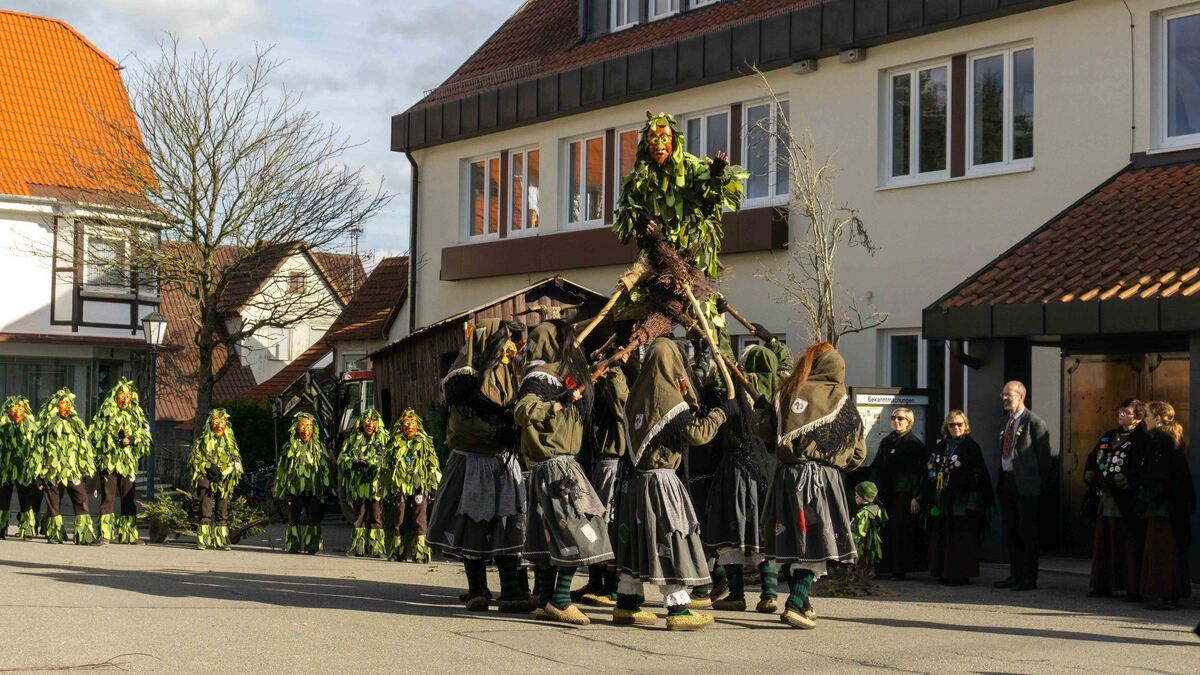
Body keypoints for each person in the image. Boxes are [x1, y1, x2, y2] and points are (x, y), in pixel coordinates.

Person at [614, 338, 731, 630]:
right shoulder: (667, 398)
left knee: (639, 540)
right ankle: (678, 609)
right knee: (670, 538)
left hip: (636, 482)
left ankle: (627, 604)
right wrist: (722, 413)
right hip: (661, 482)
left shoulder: (635, 397)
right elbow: (697, 434)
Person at [754, 342, 866, 629]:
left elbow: (765, 431)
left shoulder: (786, 391)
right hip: (820, 480)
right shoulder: (842, 400)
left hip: (786, 476)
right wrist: (835, 465)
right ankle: (794, 603)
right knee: (814, 541)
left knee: (791, 539)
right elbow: (858, 454)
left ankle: (803, 602)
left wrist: (760, 412)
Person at [426, 319, 535, 613]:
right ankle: (477, 591)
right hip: (473, 462)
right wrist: (497, 432)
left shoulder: (509, 372)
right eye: (503, 343)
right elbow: (462, 423)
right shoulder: (463, 380)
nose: (508, 349)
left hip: (502, 461)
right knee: (474, 522)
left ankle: (512, 592)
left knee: (509, 525)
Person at [514, 320, 614, 625]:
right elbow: (523, 411)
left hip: (555, 466)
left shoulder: (559, 376)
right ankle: (560, 599)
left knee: (550, 538)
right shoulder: (538, 378)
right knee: (584, 529)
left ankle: (545, 600)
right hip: (556, 467)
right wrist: (557, 404)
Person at [704, 342, 783, 613]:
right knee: (764, 532)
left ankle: (737, 594)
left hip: (735, 469)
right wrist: (773, 341)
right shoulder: (780, 393)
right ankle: (769, 594)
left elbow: (711, 391)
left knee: (731, 530)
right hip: (770, 473)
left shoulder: (732, 390)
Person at [575, 348, 631, 607]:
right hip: (595, 461)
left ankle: (613, 586)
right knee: (593, 523)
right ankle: (595, 580)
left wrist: (615, 369)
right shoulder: (601, 382)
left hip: (614, 462)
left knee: (609, 524)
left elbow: (622, 404)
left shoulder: (626, 383)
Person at [917, 410, 992, 585]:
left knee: (960, 537)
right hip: (941, 499)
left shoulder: (971, 447)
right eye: (952, 424)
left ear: (965, 426)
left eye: (959, 424)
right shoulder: (941, 446)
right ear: (946, 427)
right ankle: (943, 572)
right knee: (943, 535)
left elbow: (979, 475)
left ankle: (960, 574)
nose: (956, 427)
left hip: (962, 501)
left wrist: (970, 495)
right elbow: (930, 469)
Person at [1084, 400, 1148, 600]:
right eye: (1120, 410)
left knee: (1128, 545)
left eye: (1126, 412)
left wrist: (1125, 481)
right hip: (1106, 500)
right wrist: (1092, 475)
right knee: (1104, 544)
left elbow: (1141, 469)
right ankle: (1103, 584)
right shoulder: (1109, 435)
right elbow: (1094, 457)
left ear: (1137, 417)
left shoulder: (1141, 440)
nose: (1121, 414)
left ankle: (1132, 587)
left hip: (1125, 501)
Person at [993, 381, 1052, 591]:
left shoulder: (1034, 422)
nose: (1004, 398)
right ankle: (1015, 574)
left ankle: (1029, 577)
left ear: (1021, 396)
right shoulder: (1004, 422)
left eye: (1008, 394)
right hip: (1007, 481)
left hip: (1027, 485)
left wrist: (1038, 484)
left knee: (1027, 532)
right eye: (1003, 394)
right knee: (1010, 530)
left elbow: (1045, 459)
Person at [1137, 401, 1194, 610]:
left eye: (1148, 416)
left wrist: (1147, 498)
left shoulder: (1161, 442)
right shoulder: (1172, 440)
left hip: (1163, 507)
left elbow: (1159, 476)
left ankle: (1162, 593)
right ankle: (1170, 592)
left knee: (1161, 550)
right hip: (1172, 506)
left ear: (1158, 418)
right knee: (1168, 549)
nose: (1145, 420)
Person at [89, 379, 152, 545]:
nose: (124, 398)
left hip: (128, 463)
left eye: (128, 395)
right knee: (108, 498)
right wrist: (114, 438)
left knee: (128, 497)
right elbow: (95, 435)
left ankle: (129, 535)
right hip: (109, 462)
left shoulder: (137, 414)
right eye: (121, 395)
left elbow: (145, 438)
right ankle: (105, 535)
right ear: (115, 397)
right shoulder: (105, 413)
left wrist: (131, 439)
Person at [870, 407, 926, 579]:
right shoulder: (887, 441)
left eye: (901, 418)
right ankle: (884, 567)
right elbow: (877, 466)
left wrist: (917, 496)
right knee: (886, 530)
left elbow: (919, 473)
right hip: (886, 492)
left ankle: (899, 569)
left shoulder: (913, 443)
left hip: (904, 493)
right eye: (894, 417)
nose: (896, 421)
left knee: (900, 531)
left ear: (909, 422)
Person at [37, 388, 97, 545]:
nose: (66, 406)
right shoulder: (46, 426)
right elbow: (37, 451)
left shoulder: (77, 425)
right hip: (50, 471)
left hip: (72, 471)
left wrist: (84, 469)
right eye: (62, 403)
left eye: (69, 403)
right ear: (55, 406)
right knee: (53, 502)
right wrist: (38, 476)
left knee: (81, 498)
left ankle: (84, 535)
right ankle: (54, 534)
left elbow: (84, 449)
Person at [385, 408, 440, 563]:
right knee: (399, 519)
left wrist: (433, 488)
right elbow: (387, 467)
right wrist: (389, 488)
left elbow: (432, 466)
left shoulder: (424, 443)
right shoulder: (395, 443)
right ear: (401, 426)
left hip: (419, 488)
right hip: (400, 488)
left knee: (420, 519)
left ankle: (420, 553)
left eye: (413, 422)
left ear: (418, 425)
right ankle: (398, 552)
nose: (410, 426)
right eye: (406, 423)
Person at [273, 412, 330, 554]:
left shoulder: (319, 447)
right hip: (294, 488)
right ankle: (293, 545)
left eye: (309, 426)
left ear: (314, 429)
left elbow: (325, 468)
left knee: (314, 516)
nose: (306, 430)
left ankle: (312, 545)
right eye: (302, 426)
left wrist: (325, 486)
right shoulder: (289, 447)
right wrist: (283, 486)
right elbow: (283, 468)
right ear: (296, 428)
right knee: (293, 516)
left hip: (314, 489)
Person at [188, 408, 243, 550]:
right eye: (216, 422)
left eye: (222, 422)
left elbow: (236, 460)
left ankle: (221, 541)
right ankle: (202, 540)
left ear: (226, 424)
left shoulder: (231, 443)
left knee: (222, 510)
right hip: (206, 479)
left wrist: (226, 470)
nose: (219, 425)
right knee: (205, 509)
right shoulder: (202, 441)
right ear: (210, 423)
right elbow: (195, 458)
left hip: (223, 481)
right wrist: (207, 467)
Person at [338, 409, 390, 558]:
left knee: (376, 516)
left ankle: (377, 548)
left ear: (377, 423)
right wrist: (352, 462)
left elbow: (388, 458)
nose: (370, 424)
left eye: (373, 421)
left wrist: (373, 463)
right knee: (358, 515)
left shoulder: (383, 439)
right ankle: (357, 548)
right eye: (367, 420)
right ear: (361, 422)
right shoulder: (353, 440)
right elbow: (342, 458)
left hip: (375, 486)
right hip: (358, 485)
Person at [0, 395, 40, 539]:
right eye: (13, 409)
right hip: (5, 469)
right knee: (3, 498)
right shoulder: (2, 428)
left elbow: (37, 449)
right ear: (7, 411)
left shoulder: (32, 428)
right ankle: (1, 527)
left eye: (21, 409)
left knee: (26, 498)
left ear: (26, 411)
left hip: (25, 470)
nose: (17, 412)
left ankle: (27, 529)